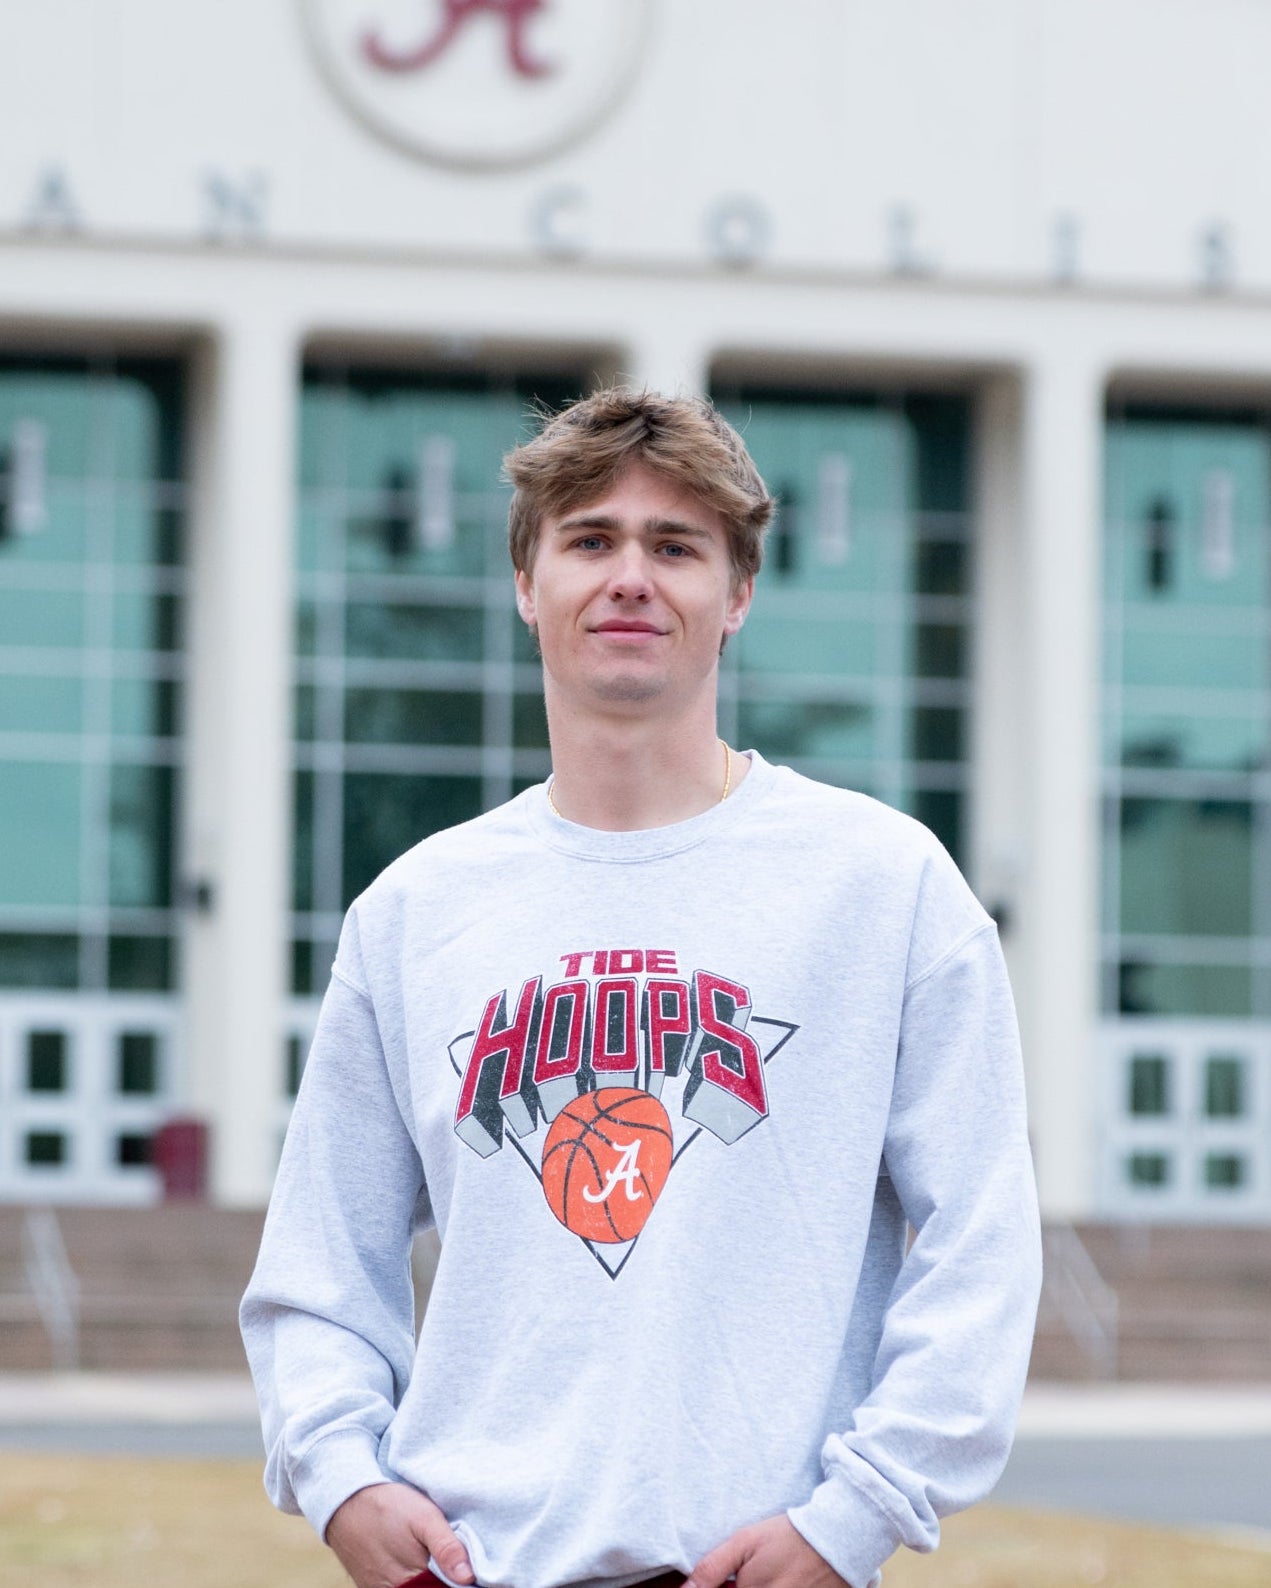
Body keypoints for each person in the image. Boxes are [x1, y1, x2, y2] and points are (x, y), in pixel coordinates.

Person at [240, 387, 1042, 1588]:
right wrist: (339, 1473)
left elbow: (981, 1238)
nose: (630, 576)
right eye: (589, 539)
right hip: (478, 1562)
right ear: (527, 583)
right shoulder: (415, 912)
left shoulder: (881, 888)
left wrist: (860, 1511)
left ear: (737, 597)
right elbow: (317, 1265)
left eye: (674, 546)